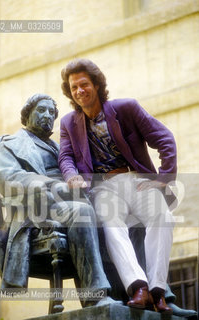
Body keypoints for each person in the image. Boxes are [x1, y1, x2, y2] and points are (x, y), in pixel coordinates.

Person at [58, 58, 197, 316]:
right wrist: (70, 175)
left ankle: (158, 291)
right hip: (102, 187)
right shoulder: (68, 123)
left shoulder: (126, 108)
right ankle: (138, 287)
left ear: (96, 85)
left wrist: (163, 178)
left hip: (136, 181)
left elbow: (165, 139)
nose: (79, 91)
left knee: (162, 217)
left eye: (84, 84)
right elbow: (65, 157)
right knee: (111, 224)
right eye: (74, 87)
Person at [0, 93, 116, 307]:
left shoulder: (60, 148)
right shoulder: (10, 145)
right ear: (27, 114)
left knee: (115, 217)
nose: (47, 115)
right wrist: (51, 185)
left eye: (51, 112)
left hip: (67, 202)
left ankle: (130, 294)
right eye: (41, 110)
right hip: (33, 210)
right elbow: (9, 179)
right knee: (82, 213)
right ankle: (96, 296)